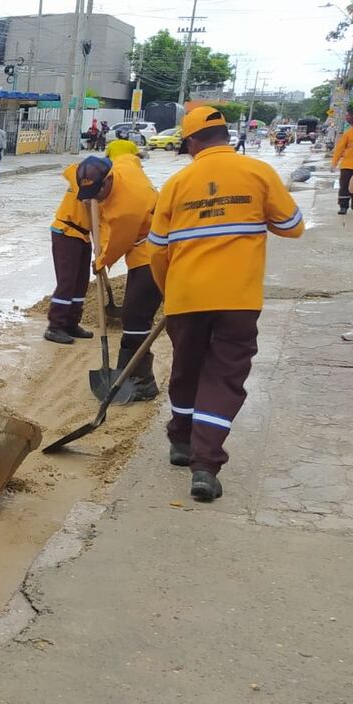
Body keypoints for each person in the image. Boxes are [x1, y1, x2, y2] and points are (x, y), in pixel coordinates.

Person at [147, 106, 305, 502]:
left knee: (186, 370)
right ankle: (204, 465)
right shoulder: (259, 173)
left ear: (192, 142)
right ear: (226, 136)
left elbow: (157, 251)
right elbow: (293, 227)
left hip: (185, 296)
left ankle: (181, 441)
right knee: (223, 377)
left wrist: (170, 292)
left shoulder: (176, 183)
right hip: (238, 299)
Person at [76, 154, 162, 401]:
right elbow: (130, 157)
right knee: (134, 315)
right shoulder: (122, 165)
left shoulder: (127, 208)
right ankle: (129, 374)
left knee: (135, 317)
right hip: (143, 249)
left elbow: (118, 244)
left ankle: (142, 382)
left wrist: (100, 261)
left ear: (108, 180)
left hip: (155, 253)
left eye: (97, 192)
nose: (95, 198)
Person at [43, 162, 95, 344]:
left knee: (81, 282)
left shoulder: (111, 190)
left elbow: (105, 224)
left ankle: (72, 323)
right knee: (67, 281)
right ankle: (55, 326)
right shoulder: (85, 175)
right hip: (66, 232)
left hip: (84, 235)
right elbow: (70, 169)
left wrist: (104, 255)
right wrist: (85, 188)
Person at [329, 105, 353, 215]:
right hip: (347, 165)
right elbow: (339, 149)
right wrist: (334, 163)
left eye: (348, 115)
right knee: (344, 186)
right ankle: (343, 206)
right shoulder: (348, 133)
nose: (346, 118)